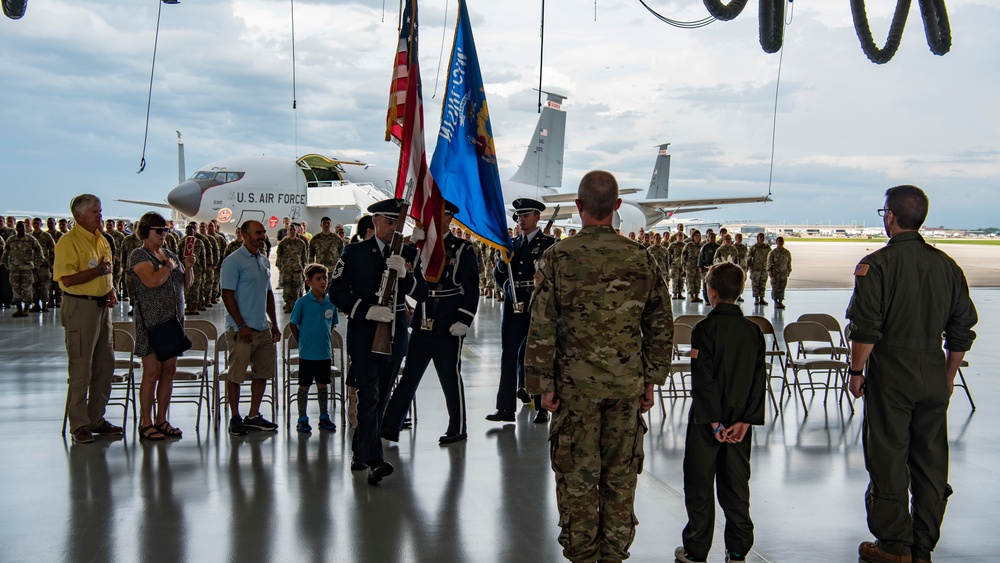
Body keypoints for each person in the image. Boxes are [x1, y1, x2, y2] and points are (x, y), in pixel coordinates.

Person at [524, 170, 674, 562]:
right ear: (617, 207)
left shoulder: (559, 256)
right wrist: (651, 380)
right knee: (620, 478)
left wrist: (542, 385)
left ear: (578, 207)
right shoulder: (640, 257)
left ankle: (582, 555)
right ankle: (614, 555)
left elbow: (541, 324)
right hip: (626, 389)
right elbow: (660, 323)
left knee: (577, 479)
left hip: (574, 392)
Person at [846, 185, 978, 563]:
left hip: (892, 374)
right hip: (934, 372)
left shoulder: (877, 265)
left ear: (890, 216)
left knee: (888, 457)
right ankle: (923, 545)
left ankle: (894, 544)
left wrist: (857, 371)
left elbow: (866, 329)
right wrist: (948, 375)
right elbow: (961, 330)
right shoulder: (947, 266)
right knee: (931, 461)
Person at [330, 198, 427, 485]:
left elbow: (421, 293)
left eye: (397, 222)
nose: (392, 227)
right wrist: (366, 309)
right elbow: (337, 291)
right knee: (368, 396)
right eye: (388, 221)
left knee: (382, 396)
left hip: (395, 334)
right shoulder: (355, 252)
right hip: (364, 333)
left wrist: (405, 275)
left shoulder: (408, 253)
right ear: (374, 222)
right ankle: (374, 460)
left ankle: (360, 449)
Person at [674, 262, 766, 563]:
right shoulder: (753, 332)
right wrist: (745, 421)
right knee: (736, 485)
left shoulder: (704, 330)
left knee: (699, 484)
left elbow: (704, 380)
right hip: (740, 420)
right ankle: (738, 549)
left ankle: (697, 549)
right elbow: (758, 380)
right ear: (739, 292)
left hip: (707, 422)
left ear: (711, 292)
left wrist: (714, 423)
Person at [381, 200, 479, 445]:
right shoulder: (419, 246)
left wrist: (464, 319)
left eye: (441, 215)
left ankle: (458, 428)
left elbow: (471, 288)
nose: (436, 219)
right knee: (410, 375)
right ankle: (390, 425)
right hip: (423, 319)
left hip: (448, 321)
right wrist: (410, 241)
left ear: (450, 219)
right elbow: (391, 260)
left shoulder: (461, 248)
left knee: (449, 377)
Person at [53, 194, 122, 443]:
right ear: (78, 216)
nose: (100, 215)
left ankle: (96, 418)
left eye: (100, 211)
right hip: (80, 308)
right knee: (82, 367)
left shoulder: (101, 239)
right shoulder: (68, 242)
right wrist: (99, 271)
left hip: (103, 308)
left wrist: (110, 289)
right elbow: (68, 279)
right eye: (95, 211)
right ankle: (79, 423)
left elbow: (108, 272)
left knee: (105, 365)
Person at [128, 212, 196, 440]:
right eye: (159, 230)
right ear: (146, 231)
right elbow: (153, 281)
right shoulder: (140, 255)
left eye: (166, 230)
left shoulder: (168, 254)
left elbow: (184, 285)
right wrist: (168, 265)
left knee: (169, 371)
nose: (164, 234)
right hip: (151, 322)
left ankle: (161, 419)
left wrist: (188, 267)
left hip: (173, 320)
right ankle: (146, 422)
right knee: (152, 372)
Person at [489, 197, 556, 424]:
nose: (521, 220)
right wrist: (506, 285)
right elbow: (499, 274)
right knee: (508, 354)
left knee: (536, 356)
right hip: (513, 305)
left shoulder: (548, 244)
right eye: (518, 216)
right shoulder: (511, 245)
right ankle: (505, 408)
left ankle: (541, 407)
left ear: (537, 217)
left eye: (526, 215)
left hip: (537, 306)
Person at [220, 220, 281, 436]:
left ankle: (253, 415)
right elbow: (227, 294)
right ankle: (235, 417)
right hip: (241, 330)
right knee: (236, 374)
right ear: (244, 235)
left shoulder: (263, 260)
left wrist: (274, 323)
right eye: (257, 233)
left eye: (263, 232)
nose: (262, 236)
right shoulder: (233, 261)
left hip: (262, 328)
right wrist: (241, 324)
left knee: (262, 373)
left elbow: (268, 293)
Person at [289, 263, 338, 433]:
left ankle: (324, 416)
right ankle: (302, 418)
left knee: (323, 385)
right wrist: (301, 340)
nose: (323, 281)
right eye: (318, 279)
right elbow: (293, 324)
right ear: (309, 282)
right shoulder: (302, 302)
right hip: (307, 354)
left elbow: (332, 325)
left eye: (325, 278)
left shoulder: (331, 302)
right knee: (304, 386)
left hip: (323, 353)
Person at [2, 220, 43, 317]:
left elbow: (39, 253)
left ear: (25, 228)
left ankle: (26, 308)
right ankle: (18, 308)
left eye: (22, 227)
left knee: (27, 288)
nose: (20, 229)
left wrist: (36, 266)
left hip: (27, 269)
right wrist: (6, 266)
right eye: (19, 227)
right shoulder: (11, 240)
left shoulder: (30, 239)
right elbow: (5, 254)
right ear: (16, 228)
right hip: (14, 269)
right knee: (15, 289)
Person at [276, 222, 308, 313]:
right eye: (291, 230)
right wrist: (280, 267)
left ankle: (296, 305)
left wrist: (304, 267)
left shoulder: (301, 243)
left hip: (297, 269)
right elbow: (279, 255)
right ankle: (288, 305)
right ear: (288, 231)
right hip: (286, 269)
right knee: (287, 288)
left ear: (297, 231)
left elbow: (304, 256)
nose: (292, 231)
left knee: (297, 288)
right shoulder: (283, 243)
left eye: (294, 229)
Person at [29, 217, 55, 313]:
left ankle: (44, 304)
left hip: (44, 265)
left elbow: (52, 250)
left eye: (37, 223)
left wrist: (51, 263)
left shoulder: (46, 236)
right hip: (32, 266)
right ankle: (36, 304)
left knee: (44, 286)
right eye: (34, 223)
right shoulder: (29, 236)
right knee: (34, 286)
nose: (36, 225)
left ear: (41, 224)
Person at [181, 225, 206, 316]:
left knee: (196, 289)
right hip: (185, 268)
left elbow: (203, 256)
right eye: (188, 232)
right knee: (187, 289)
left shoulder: (199, 242)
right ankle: (188, 306)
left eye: (192, 231)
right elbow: (179, 255)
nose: (190, 233)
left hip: (197, 269)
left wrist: (204, 268)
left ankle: (195, 307)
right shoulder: (182, 242)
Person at [766, 236, 791, 309]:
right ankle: (776, 301)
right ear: (776, 242)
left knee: (782, 288)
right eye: (779, 241)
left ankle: (780, 301)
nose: (780, 242)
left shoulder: (787, 252)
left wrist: (788, 270)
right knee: (775, 288)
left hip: (783, 273)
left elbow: (789, 262)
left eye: (781, 241)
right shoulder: (773, 252)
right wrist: (769, 271)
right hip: (775, 273)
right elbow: (769, 262)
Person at [746, 233, 770, 305]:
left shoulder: (767, 247)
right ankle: (756, 298)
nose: (762, 238)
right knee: (755, 284)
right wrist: (751, 266)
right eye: (760, 237)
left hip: (764, 268)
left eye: (763, 237)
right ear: (758, 238)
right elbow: (749, 257)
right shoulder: (754, 247)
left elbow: (770, 256)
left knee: (762, 283)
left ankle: (762, 298)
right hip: (756, 268)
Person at [682, 230, 704, 303]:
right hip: (690, 267)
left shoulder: (702, 245)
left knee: (698, 281)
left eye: (698, 236)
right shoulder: (688, 245)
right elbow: (683, 256)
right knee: (690, 281)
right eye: (695, 236)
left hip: (698, 267)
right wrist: (684, 266)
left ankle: (697, 296)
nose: (697, 237)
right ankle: (691, 296)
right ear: (693, 237)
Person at [698, 231, 720, 302]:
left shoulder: (718, 247)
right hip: (706, 268)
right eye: (711, 237)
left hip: (716, 267)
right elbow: (701, 257)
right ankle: (707, 299)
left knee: (716, 284)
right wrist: (700, 267)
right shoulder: (705, 247)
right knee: (706, 284)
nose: (713, 239)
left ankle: (716, 298)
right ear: (708, 238)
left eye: (714, 237)